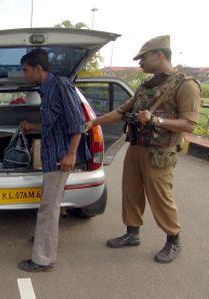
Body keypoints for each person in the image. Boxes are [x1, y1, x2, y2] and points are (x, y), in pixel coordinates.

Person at [85, 35, 201, 263]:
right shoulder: (146, 86)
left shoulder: (185, 85)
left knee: (160, 198)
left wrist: (155, 120)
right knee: (131, 192)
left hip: (160, 153)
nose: (140, 63)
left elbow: (189, 123)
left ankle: (173, 240)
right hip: (136, 147)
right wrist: (93, 122)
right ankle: (132, 234)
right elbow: (121, 111)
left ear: (159, 55)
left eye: (144, 58)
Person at [17, 49, 90, 272]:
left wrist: (71, 154)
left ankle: (42, 259)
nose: (24, 75)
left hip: (60, 159)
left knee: (48, 208)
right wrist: (32, 126)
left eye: (26, 70)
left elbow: (77, 122)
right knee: (48, 206)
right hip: (51, 158)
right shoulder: (46, 91)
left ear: (38, 68)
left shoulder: (60, 85)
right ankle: (43, 240)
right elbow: (53, 124)